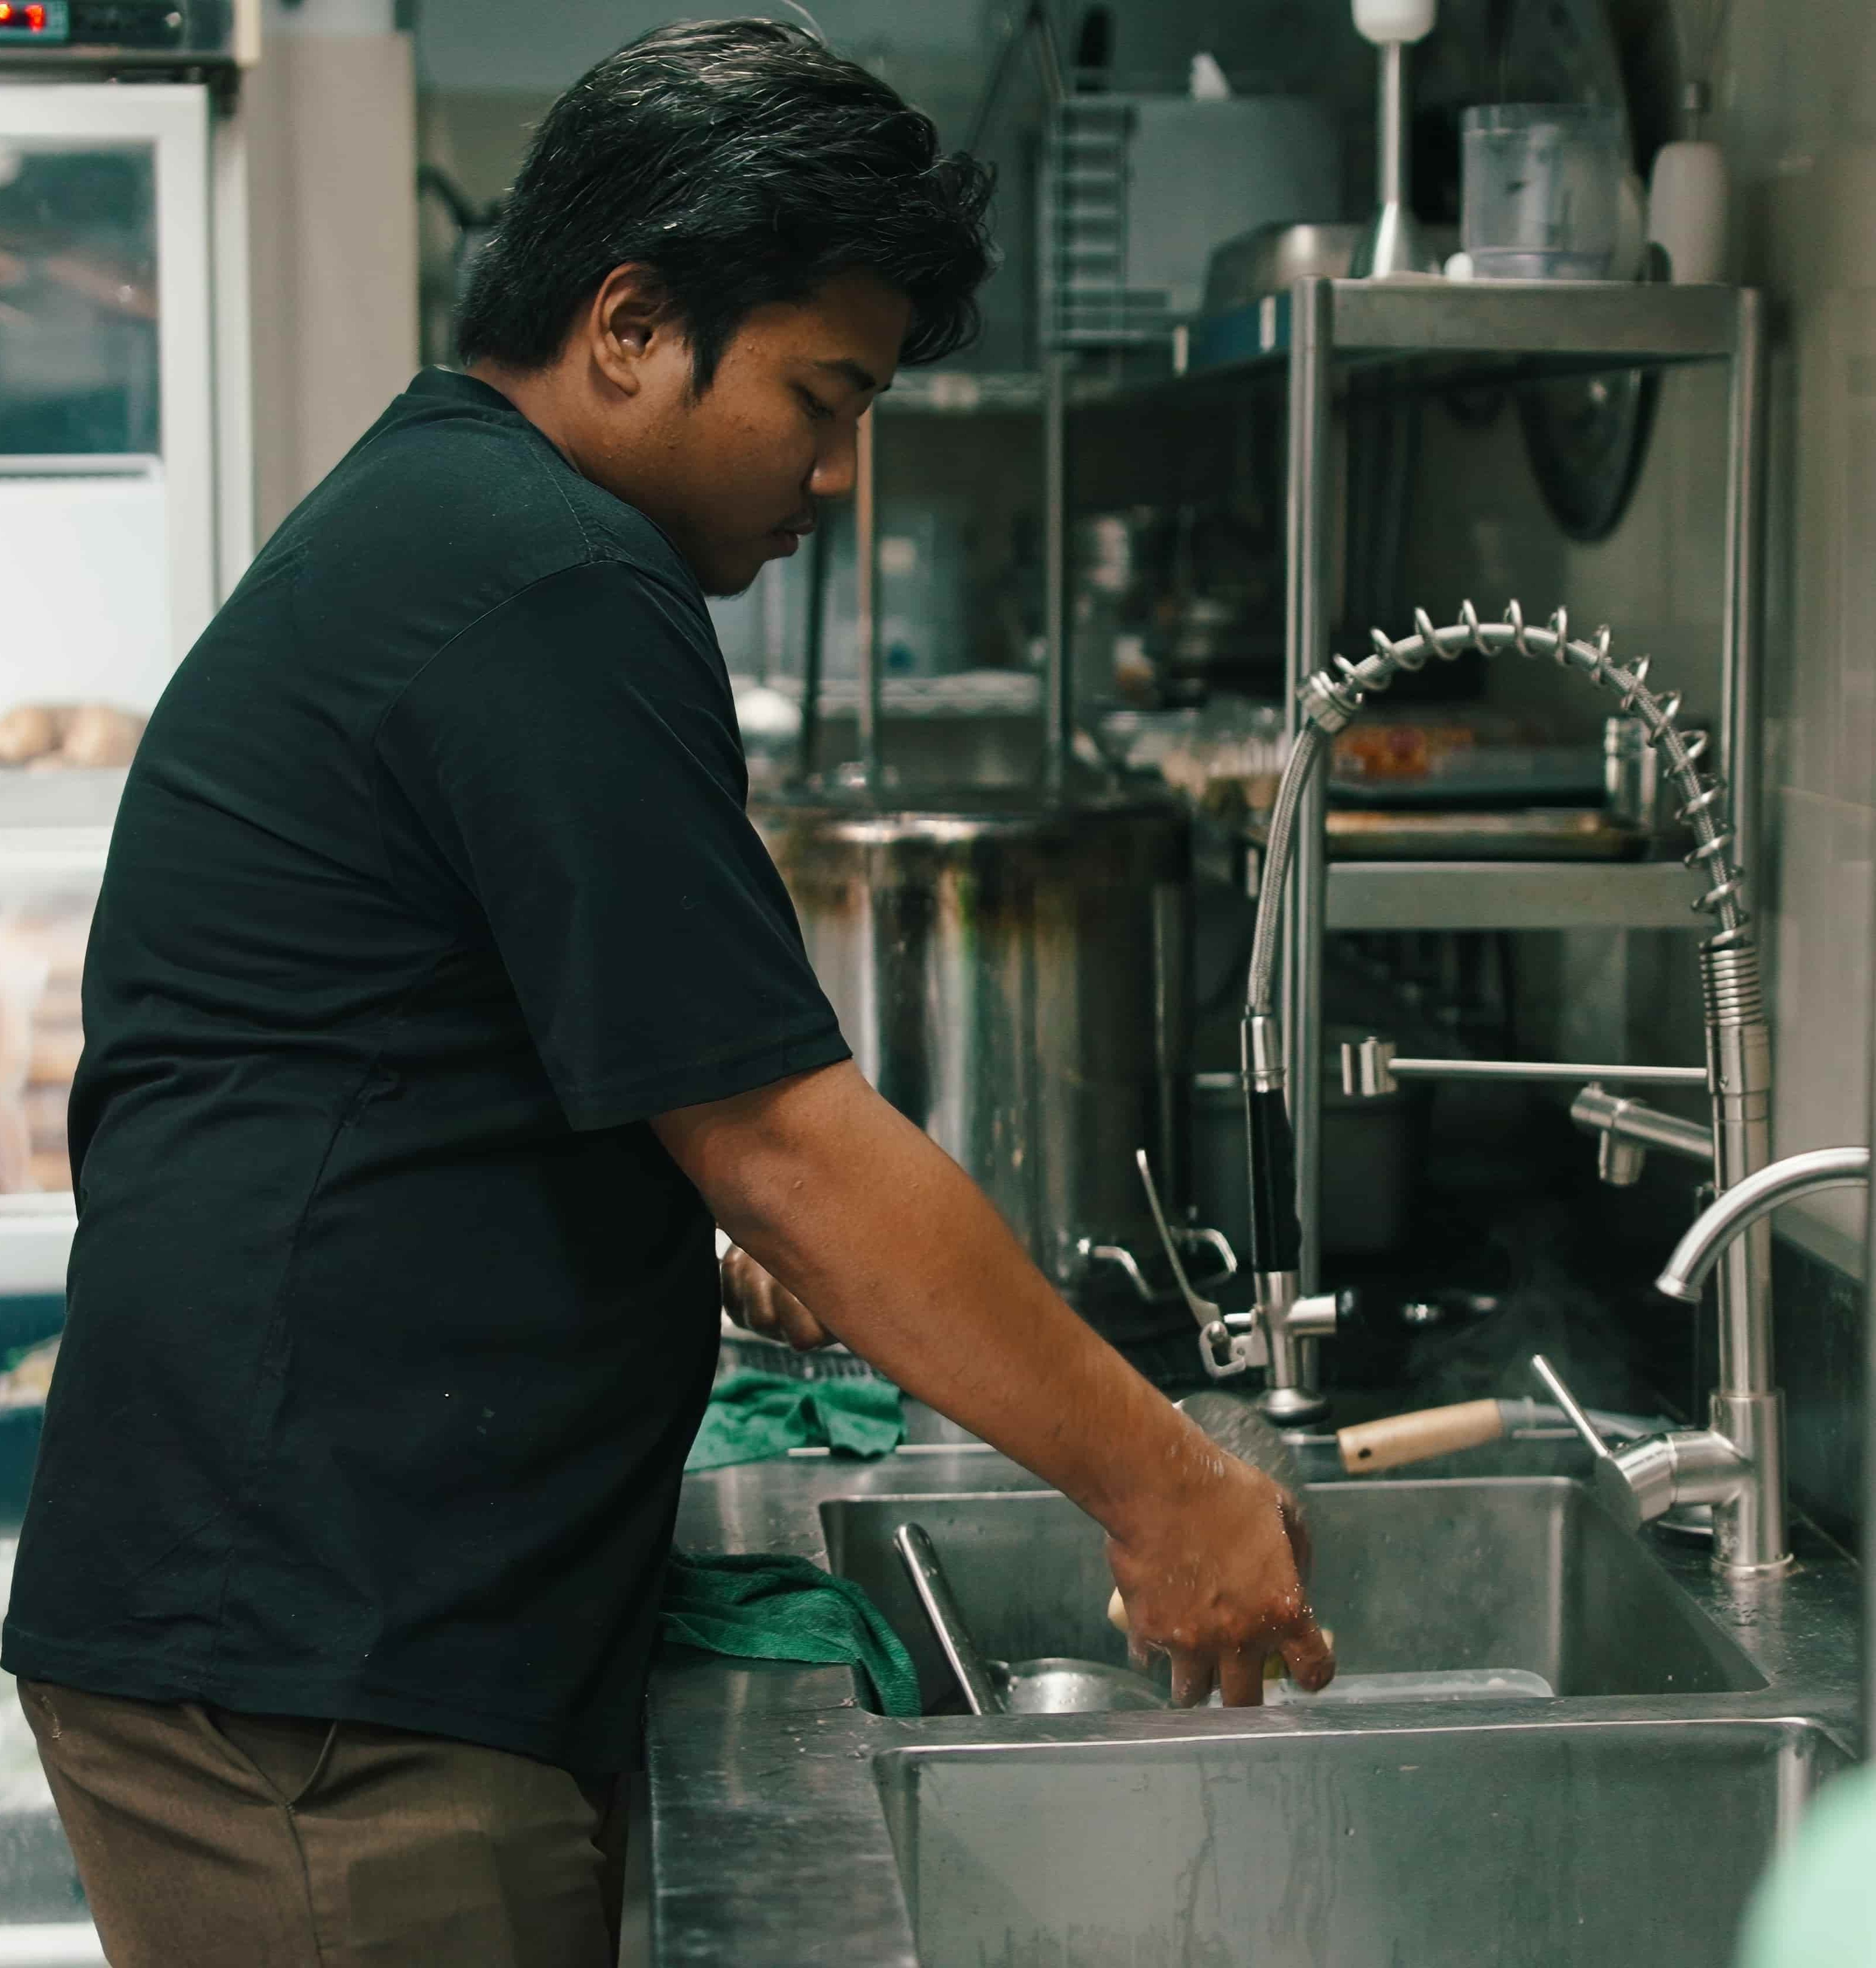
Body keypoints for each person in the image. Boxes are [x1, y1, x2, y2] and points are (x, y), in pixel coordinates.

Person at [1, 20, 1336, 1965]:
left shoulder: (455, 519)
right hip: (323, 1677)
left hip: (316, 1629)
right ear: (629, 323)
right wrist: (1169, 1488)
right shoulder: (551, 574)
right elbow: (785, 1132)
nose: (837, 468)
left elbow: (438, 1058)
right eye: (821, 390)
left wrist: (655, 1234)